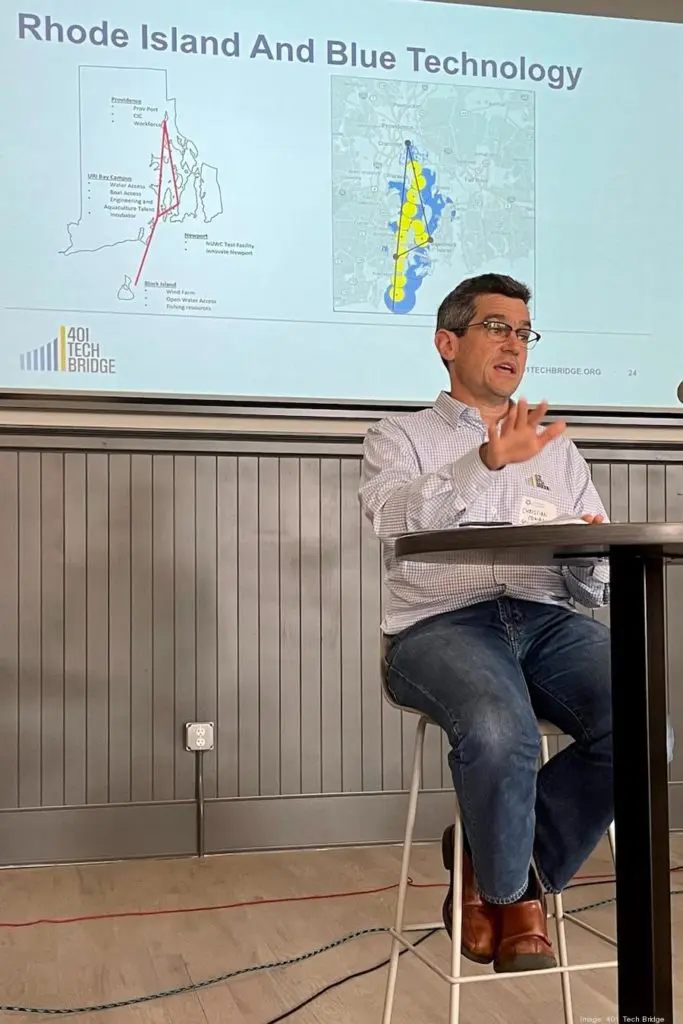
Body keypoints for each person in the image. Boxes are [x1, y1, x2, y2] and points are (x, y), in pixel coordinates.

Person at [359, 273, 614, 974]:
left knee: (647, 725)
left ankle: (491, 861)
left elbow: (590, 587)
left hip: (546, 619)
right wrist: (483, 462)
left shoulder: (557, 449)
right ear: (447, 343)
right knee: (502, 729)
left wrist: (588, 551)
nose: (514, 344)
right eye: (497, 328)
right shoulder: (398, 436)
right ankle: (515, 900)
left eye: (523, 333)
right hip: (439, 625)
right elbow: (390, 520)